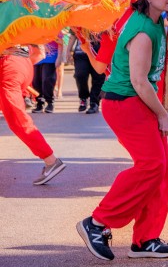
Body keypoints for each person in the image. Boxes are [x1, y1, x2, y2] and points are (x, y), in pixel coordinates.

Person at [77, 0, 168, 261]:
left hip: (140, 101)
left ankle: (146, 239)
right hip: (125, 101)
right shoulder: (141, 31)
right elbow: (139, 81)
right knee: (151, 165)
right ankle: (97, 222)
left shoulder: (157, 21)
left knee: (160, 170)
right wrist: (162, 114)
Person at [0, 43, 66, 185]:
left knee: (17, 120)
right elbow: (39, 53)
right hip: (23, 63)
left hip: (10, 65)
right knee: (16, 118)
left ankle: (51, 160)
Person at [71, 31, 105, 114]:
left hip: (99, 51)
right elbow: (73, 34)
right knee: (80, 75)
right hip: (81, 52)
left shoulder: (102, 19)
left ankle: (94, 102)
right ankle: (83, 97)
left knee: (98, 77)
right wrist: (69, 50)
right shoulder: (78, 19)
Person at [31, 40, 59, 113]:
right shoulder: (33, 29)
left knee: (47, 80)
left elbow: (62, 42)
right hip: (37, 56)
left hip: (50, 56)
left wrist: (61, 57)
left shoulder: (54, 30)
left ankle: (50, 102)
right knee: (36, 81)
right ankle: (39, 102)